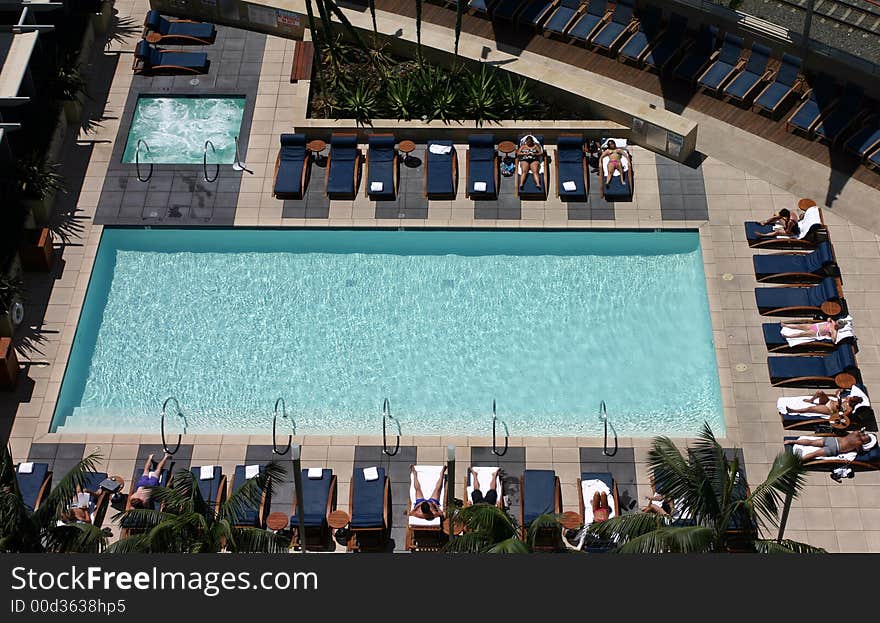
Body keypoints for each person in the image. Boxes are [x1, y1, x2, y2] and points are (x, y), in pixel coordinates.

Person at [785, 430, 875, 460]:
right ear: (865, 442)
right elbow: (859, 452)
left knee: (810, 442)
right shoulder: (859, 444)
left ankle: (792, 442)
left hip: (832, 440)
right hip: (835, 448)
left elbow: (861, 431)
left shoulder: (856, 433)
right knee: (814, 454)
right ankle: (796, 462)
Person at [786, 394, 862, 418]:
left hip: (829, 409)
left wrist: (840, 409)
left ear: (854, 402)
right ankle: (811, 400)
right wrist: (839, 392)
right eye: (851, 397)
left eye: (851, 399)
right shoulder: (847, 399)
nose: (849, 398)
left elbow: (841, 416)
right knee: (820, 392)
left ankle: (793, 410)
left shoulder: (849, 409)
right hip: (828, 401)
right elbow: (838, 393)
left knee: (811, 408)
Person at [781, 318, 847, 341]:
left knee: (801, 334)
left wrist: (830, 334)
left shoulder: (834, 331)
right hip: (815, 326)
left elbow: (834, 339)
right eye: (836, 323)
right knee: (799, 326)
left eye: (837, 325)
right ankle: (785, 325)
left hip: (816, 332)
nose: (835, 324)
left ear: (839, 327)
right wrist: (829, 320)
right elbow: (829, 318)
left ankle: (788, 336)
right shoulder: (833, 322)